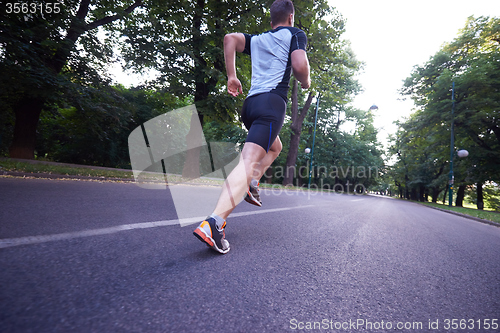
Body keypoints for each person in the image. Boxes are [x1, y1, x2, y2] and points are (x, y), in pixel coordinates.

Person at [193, 0, 311, 254]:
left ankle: (252, 182)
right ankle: (214, 222)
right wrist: (306, 81)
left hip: (250, 106)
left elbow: (229, 39)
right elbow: (300, 66)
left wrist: (231, 75)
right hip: (271, 105)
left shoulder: (258, 39)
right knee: (247, 162)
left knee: (275, 146)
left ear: (272, 21)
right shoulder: (295, 34)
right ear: (290, 18)